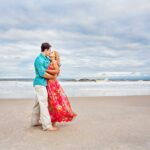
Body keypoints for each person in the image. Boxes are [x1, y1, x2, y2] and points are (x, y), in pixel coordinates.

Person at [31, 43, 58, 131]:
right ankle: (47, 126)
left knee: (38, 104)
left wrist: (55, 60)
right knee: (43, 104)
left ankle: (34, 122)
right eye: (49, 50)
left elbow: (53, 66)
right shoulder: (38, 59)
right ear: (45, 50)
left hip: (43, 84)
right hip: (40, 83)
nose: (50, 52)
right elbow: (42, 73)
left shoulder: (46, 58)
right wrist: (53, 77)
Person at [46, 51, 77, 127]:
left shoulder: (54, 61)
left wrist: (45, 71)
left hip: (53, 84)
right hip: (49, 83)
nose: (50, 53)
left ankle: (53, 122)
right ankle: (51, 121)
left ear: (55, 55)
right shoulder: (49, 61)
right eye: (50, 52)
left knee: (54, 102)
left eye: (52, 52)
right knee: (51, 103)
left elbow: (56, 71)